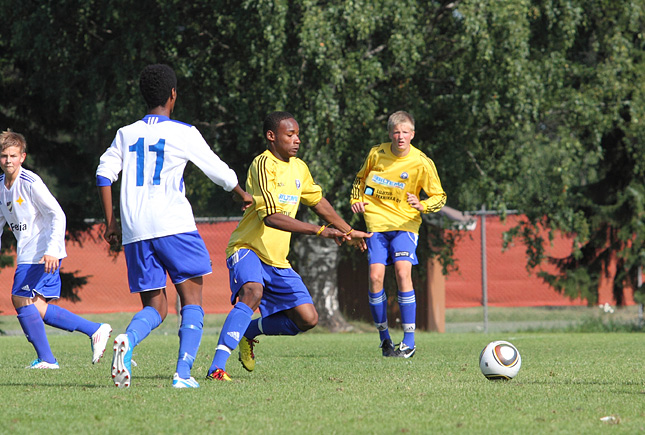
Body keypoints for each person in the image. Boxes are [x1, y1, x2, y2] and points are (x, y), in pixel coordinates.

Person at [96, 64, 252, 389]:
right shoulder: (183, 132)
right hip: (174, 225)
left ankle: (127, 342)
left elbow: (103, 174)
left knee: (156, 306)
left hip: (136, 230)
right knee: (191, 299)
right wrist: (241, 193)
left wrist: (112, 223)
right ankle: (182, 375)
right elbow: (219, 171)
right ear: (173, 95)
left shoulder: (125, 134)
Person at [205, 111, 371, 381]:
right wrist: (321, 231)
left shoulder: (299, 168)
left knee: (307, 319)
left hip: (277, 259)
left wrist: (348, 231)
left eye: (298, 134)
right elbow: (271, 217)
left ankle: (249, 331)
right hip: (247, 248)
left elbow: (318, 202)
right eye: (290, 134)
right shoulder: (263, 165)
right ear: (272, 137)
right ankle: (217, 368)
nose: (297, 140)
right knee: (252, 292)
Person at [0, 131, 112, 369]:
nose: (8, 160)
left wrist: (52, 249)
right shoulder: (1, 186)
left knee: (20, 298)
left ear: (22, 157)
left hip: (42, 252)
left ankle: (48, 359)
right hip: (28, 253)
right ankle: (95, 330)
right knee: (35, 306)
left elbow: (57, 214)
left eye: (12, 155)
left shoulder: (30, 182)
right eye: (3, 156)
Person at [350, 111, 446, 358]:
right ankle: (385, 340)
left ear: (412, 135)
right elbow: (360, 181)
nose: (400, 136)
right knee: (375, 278)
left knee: (403, 272)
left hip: (405, 224)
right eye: (396, 132)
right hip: (377, 224)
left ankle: (409, 341)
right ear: (390, 134)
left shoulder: (421, 162)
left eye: (405, 132)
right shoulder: (376, 153)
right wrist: (356, 200)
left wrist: (422, 204)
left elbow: (440, 197)